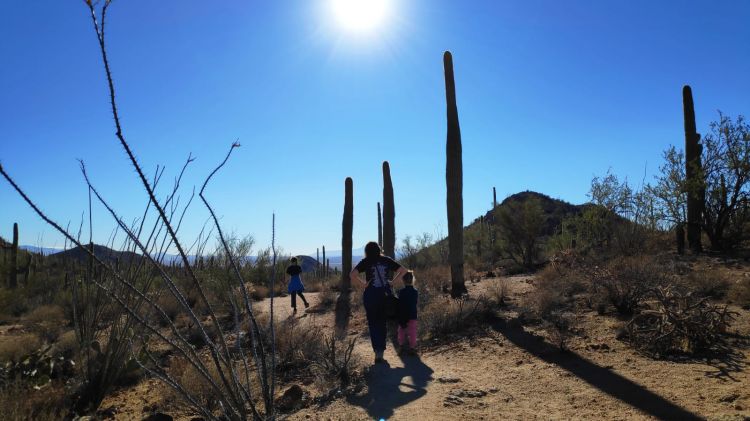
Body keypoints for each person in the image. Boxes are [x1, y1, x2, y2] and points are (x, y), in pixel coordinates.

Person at [350, 242, 408, 363]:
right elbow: (403, 270)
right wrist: (392, 282)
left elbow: (352, 275)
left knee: (372, 322)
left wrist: (363, 284)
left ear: (367, 251)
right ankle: (381, 350)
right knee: (382, 322)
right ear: (378, 249)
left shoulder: (365, 261)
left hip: (370, 294)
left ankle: (377, 351)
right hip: (385, 293)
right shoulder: (386, 260)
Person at [397, 271, 419, 356]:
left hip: (403, 314)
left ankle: (401, 346)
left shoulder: (401, 292)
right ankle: (412, 348)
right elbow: (415, 302)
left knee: (401, 330)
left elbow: (400, 303)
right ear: (412, 279)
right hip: (413, 314)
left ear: (403, 280)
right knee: (412, 331)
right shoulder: (415, 291)